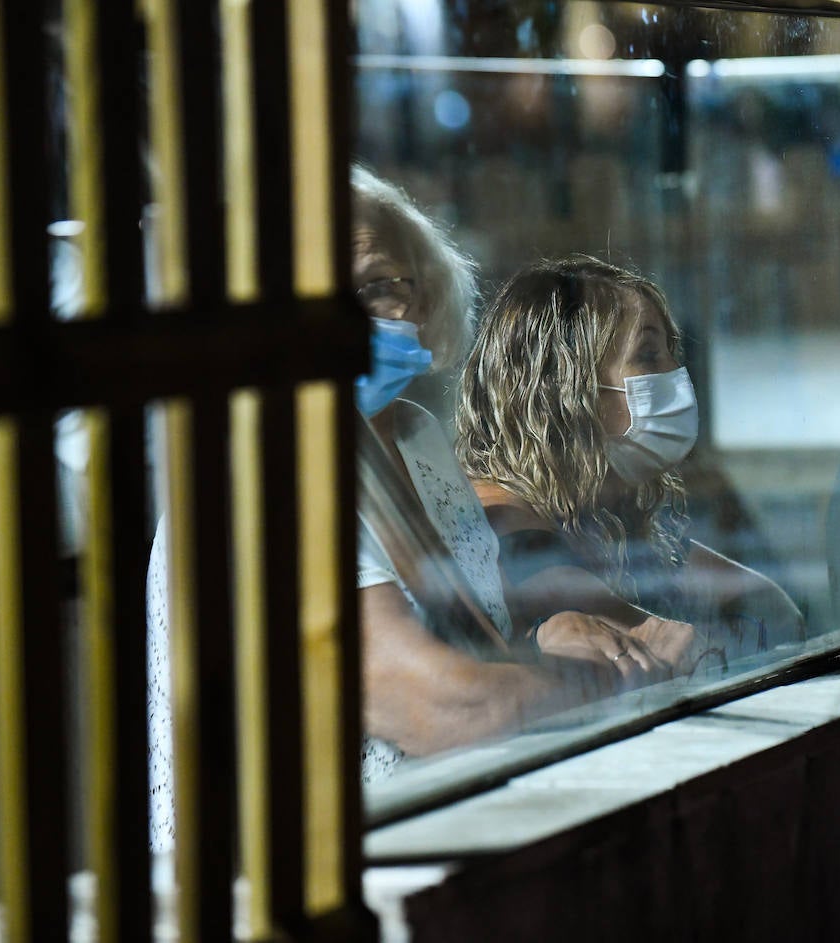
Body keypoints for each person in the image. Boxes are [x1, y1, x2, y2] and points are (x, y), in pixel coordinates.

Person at [145, 168, 658, 852]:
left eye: (380, 285)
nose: (349, 317)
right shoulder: (255, 468)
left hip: (437, 834)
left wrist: (544, 637)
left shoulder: (412, 435)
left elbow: (474, 636)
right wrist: (610, 679)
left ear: (426, 299)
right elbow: (441, 705)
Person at [455, 255, 806, 671]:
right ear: (565, 387)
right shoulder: (502, 515)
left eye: (671, 352)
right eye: (649, 354)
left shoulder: (607, 511)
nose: (676, 373)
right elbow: (654, 644)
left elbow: (774, 610)